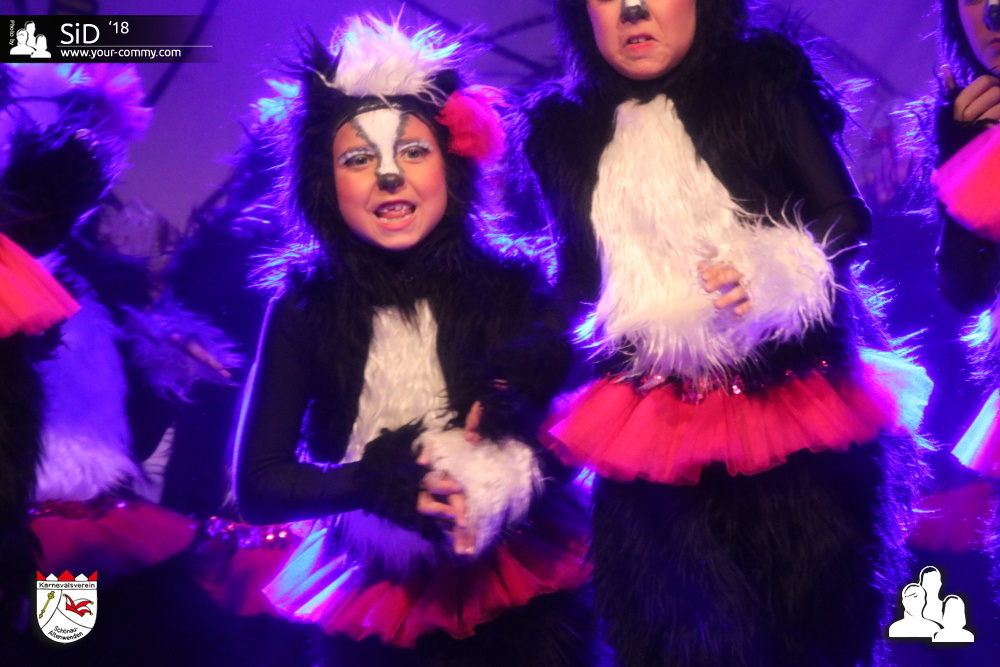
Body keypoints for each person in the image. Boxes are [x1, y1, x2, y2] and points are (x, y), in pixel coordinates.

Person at [513, 1, 927, 665]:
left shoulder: (760, 79)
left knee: (810, 629)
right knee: (669, 635)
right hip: (650, 428)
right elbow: (580, 279)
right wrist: (517, 370)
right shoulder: (563, 132)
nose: (634, 9)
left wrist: (774, 270)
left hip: (791, 407)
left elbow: (844, 216)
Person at [234, 16, 592, 667]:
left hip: (517, 588)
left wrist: (500, 475)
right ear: (324, 183)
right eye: (358, 158)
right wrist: (375, 484)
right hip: (379, 595)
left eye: (414, 151)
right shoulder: (304, 307)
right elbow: (259, 484)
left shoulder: (511, 286)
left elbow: (573, 439)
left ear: (451, 166)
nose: (390, 175)